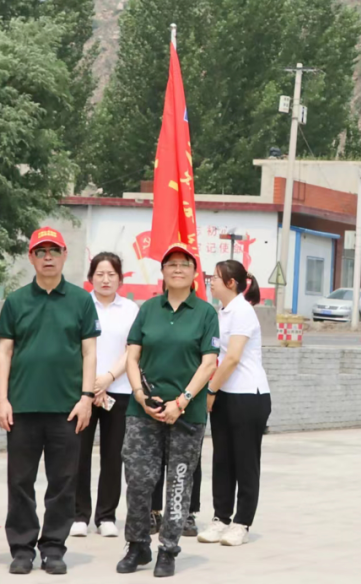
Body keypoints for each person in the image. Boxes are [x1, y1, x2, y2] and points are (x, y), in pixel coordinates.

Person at [0, 228, 98, 575]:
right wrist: (1, 399)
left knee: (63, 483)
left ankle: (54, 547)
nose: (48, 257)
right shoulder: (16, 300)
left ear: (65, 255)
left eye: (55, 250)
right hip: (22, 407)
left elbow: (89, 351)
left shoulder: (82, 300)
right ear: (31, 258)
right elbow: (4, 351)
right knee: (20, 482)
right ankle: (22, 548)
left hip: (67, 409)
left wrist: (86, 398)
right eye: (41, 251)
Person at [117, 243, 218, 578]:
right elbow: (132, 356)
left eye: (185, 264)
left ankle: (168, 549)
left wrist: (182, 401)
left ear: (194, 273)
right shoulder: (148, 309)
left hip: (185, 415)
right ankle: (138, 545)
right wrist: (141, 395)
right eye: (171, 264)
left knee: (178, 482)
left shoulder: (205, 313)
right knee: (139, 480)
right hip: (143, 410)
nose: (178, 269)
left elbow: (209, 362)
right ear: (162, 272)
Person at [197, 260, 271, 547]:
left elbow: (232, 358)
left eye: (214, 278)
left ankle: (242, 522)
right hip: (225, 393)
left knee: (245, 461)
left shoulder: (242, 311)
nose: (210, 282)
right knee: (223, 459)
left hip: (248, 396)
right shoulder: (222, 311)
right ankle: (221, 518)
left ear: (231, 283)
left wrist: (211, 389)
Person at [70, 252, 139, 539]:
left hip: (119, 391)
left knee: (113, 456)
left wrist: (108, 378)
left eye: (112, 274)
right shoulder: (80, 304)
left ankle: (106, 516)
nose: (106, 279)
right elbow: (75, 348)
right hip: (84, 393)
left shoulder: (132, 309)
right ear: (91, 277)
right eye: (100, 273)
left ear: (120, 278)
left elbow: (133, 351)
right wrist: (91, 386)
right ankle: (78, 515)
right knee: (78, 454)